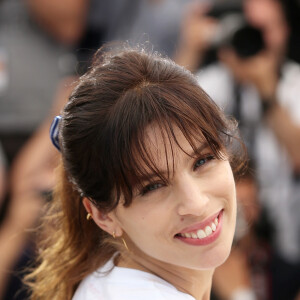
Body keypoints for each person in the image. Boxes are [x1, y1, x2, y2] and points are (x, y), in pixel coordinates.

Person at [25, 45, 245, 300]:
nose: (195, 203)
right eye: (152, 186)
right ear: (103, 215)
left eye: (202, 161)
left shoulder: (109, 278)